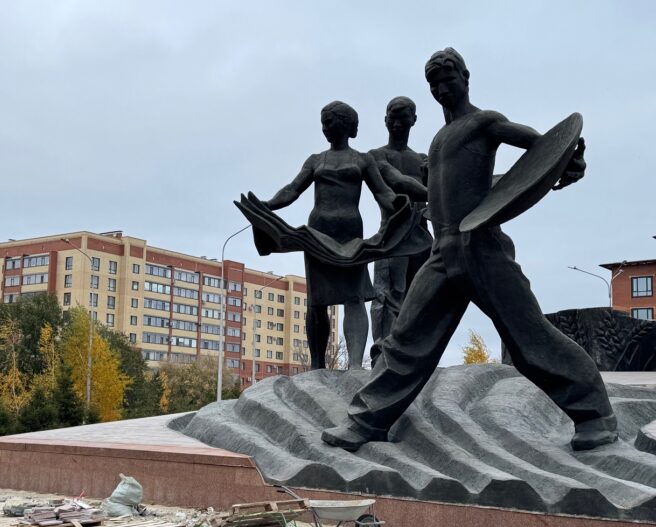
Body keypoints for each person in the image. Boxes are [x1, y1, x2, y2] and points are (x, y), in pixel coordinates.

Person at [322, 48, 618, 452]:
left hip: (483, 247)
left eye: (449, 80)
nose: (442, 89)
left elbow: (542, 146)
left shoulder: (485, 122)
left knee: (530, 339)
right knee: (405, 340)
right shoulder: (439, 138)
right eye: (434, 84)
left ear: (466, 77)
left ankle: (595, 414)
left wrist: (570, 159)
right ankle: (365, 422)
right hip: (442, 251)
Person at [262, 101, 401, 370]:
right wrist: (267, 205)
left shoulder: (362, 159)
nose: (325, 128)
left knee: (354, 297)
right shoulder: (315, 160)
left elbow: (383, 193)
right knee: (317, 301)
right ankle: (316, 365)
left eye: (329, 122)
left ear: (346, 125)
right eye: (323, 123)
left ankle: (355, 366)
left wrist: (400, 206)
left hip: (351, 237)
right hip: (317, 235)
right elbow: (292, 190)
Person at [368, 97, 432, 343]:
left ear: (413, 120)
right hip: (392, 237)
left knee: (422, 298)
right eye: (392, 118)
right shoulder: (376, 156)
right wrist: (432, 189)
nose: (396, 123)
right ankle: (382, 352)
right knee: (387, 295)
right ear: (385, 120)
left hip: (422, 237)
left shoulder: (422, 160)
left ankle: (416, 352)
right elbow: (395, 182)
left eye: (403, 117)